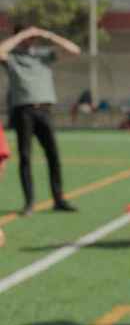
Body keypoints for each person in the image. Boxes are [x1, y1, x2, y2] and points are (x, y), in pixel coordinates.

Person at [0, 25, 81, 215]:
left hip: (44, 110)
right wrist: (21, 35)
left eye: (33, 37)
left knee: (53, 155)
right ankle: (29, 203)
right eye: (28, 37)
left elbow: (75, 50)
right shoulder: (12, 57)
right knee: (25, 157)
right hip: (23, 111)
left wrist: (48, 35)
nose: (31, 40)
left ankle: (58, 199)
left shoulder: (43, 55)